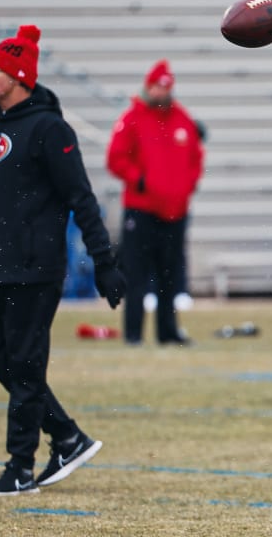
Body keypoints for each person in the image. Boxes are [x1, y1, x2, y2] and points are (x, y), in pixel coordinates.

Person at [0, 24, 126, 496]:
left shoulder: (49, 128)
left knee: (23, 364)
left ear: (19, 75)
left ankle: (20, 467)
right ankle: (66, 435)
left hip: (34, 266)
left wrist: (104, 262)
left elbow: (82, 198)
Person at [106, 59, 204, 347]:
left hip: (175, 211)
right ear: (148, 87)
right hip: (142, 210)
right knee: (136, 275)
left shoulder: (182, 119)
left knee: (169, 276)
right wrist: (140, 180)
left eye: (166, 88)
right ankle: (134, 333)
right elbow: (116, 159)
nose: (161, 93)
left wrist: (186, 188)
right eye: (157, 87)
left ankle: (168, 331)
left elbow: (195, 159)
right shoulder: (132, 118)